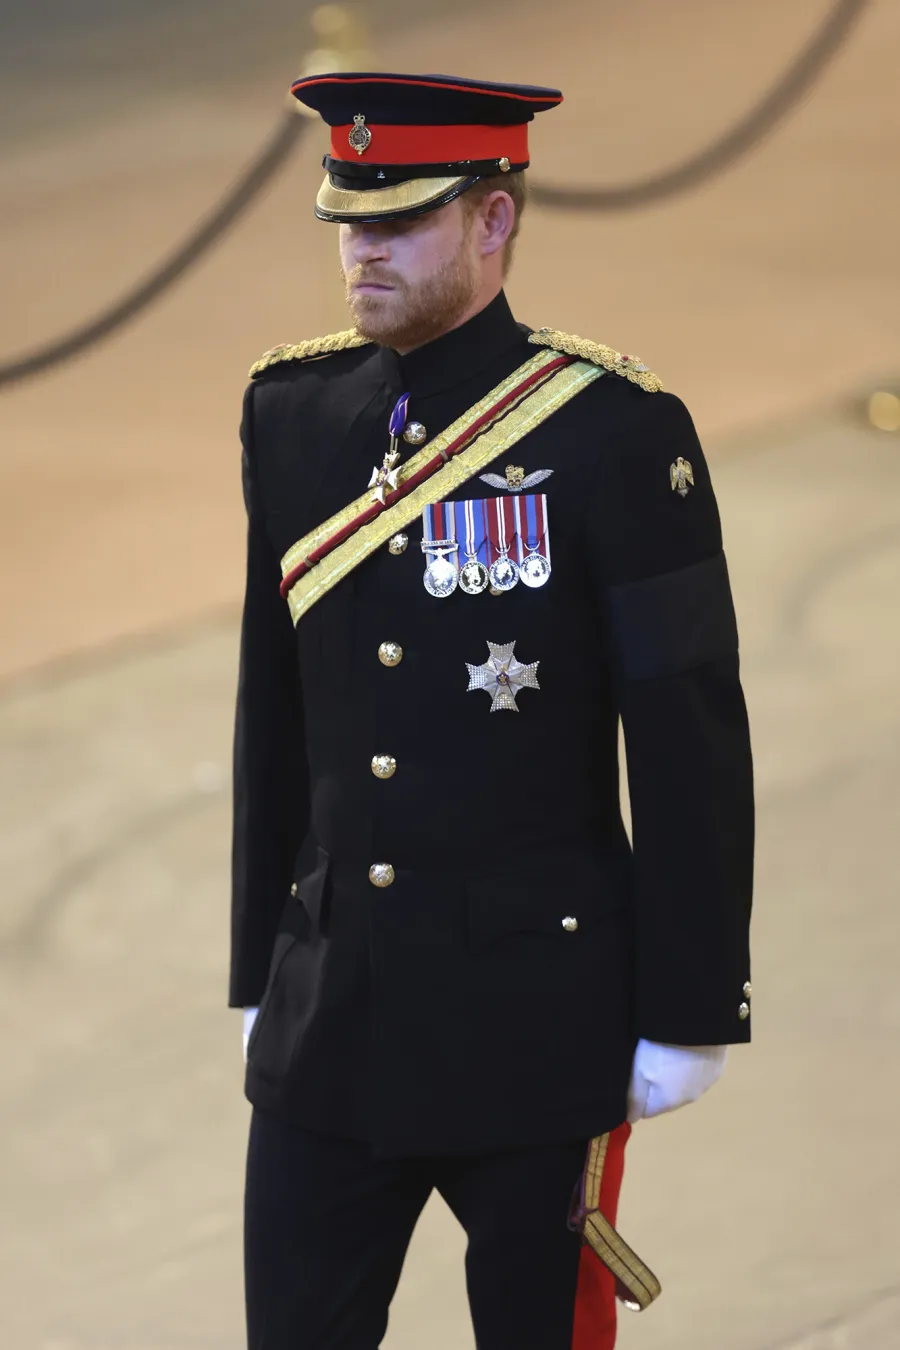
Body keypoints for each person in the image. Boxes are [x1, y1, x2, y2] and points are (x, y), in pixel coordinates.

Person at [230, 71, 754, 1350]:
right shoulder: (293, 418)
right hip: (331, 1018)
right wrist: (259, 961)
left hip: (540, 1022)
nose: (362, 252)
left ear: (494, 218)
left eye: (398, 221)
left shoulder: (617, 436)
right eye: (348, 222)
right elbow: (274, 710)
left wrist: (691, 1006)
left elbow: (687, 735)